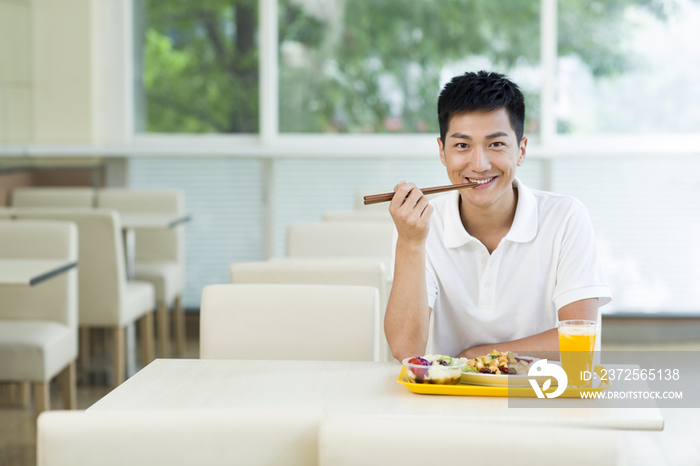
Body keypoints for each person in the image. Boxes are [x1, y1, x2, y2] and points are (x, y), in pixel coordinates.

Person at [385, 70, 611, 361]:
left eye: (496, 144)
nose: (478, 165)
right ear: (442, 152)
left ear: (521, 150)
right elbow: (406, 350)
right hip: (452, 398)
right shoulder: (418, 226)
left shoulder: (566, 217)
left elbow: (580, 344)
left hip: (538, 396)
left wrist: (476, 356)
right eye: (462, 145)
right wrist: (411, 243)